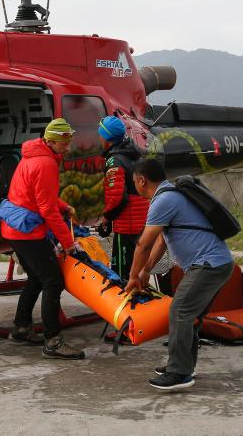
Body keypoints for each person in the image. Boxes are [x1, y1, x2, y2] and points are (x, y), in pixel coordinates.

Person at [124, 158, 234, 391]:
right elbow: (163, 239)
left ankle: (179, 373)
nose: (135, 186)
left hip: (208, 264)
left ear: (141, 180)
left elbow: (144, 244)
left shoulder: (164, 200)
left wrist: (133, 276)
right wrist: (146, 270)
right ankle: (185, 365)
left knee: (180, 310)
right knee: (189, 315)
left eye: (134, 182)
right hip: (215, 263)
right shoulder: (172, 195)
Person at [0, 118, 85, 360]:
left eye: (68, 143)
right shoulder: (46, 163)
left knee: (36, 278)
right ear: (49, 141)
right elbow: (46, 208)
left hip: (13, 228)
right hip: (28, 232)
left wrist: (65, 206)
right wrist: (68, 243)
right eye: (62, 144)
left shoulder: (30, 156)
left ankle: (21, 329)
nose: (67, 148)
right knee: (53, 281)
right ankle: (53, 341)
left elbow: (38, 196)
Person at [97, 116, 150, 341]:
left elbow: (116, 197)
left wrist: (106, 218)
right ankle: (144, 318)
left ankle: (127, 328)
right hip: (142, 221)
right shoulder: (135, 156)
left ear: (107, 138)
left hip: (126, 224)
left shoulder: (114, 162)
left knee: (122, 274)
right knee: (137, 271)